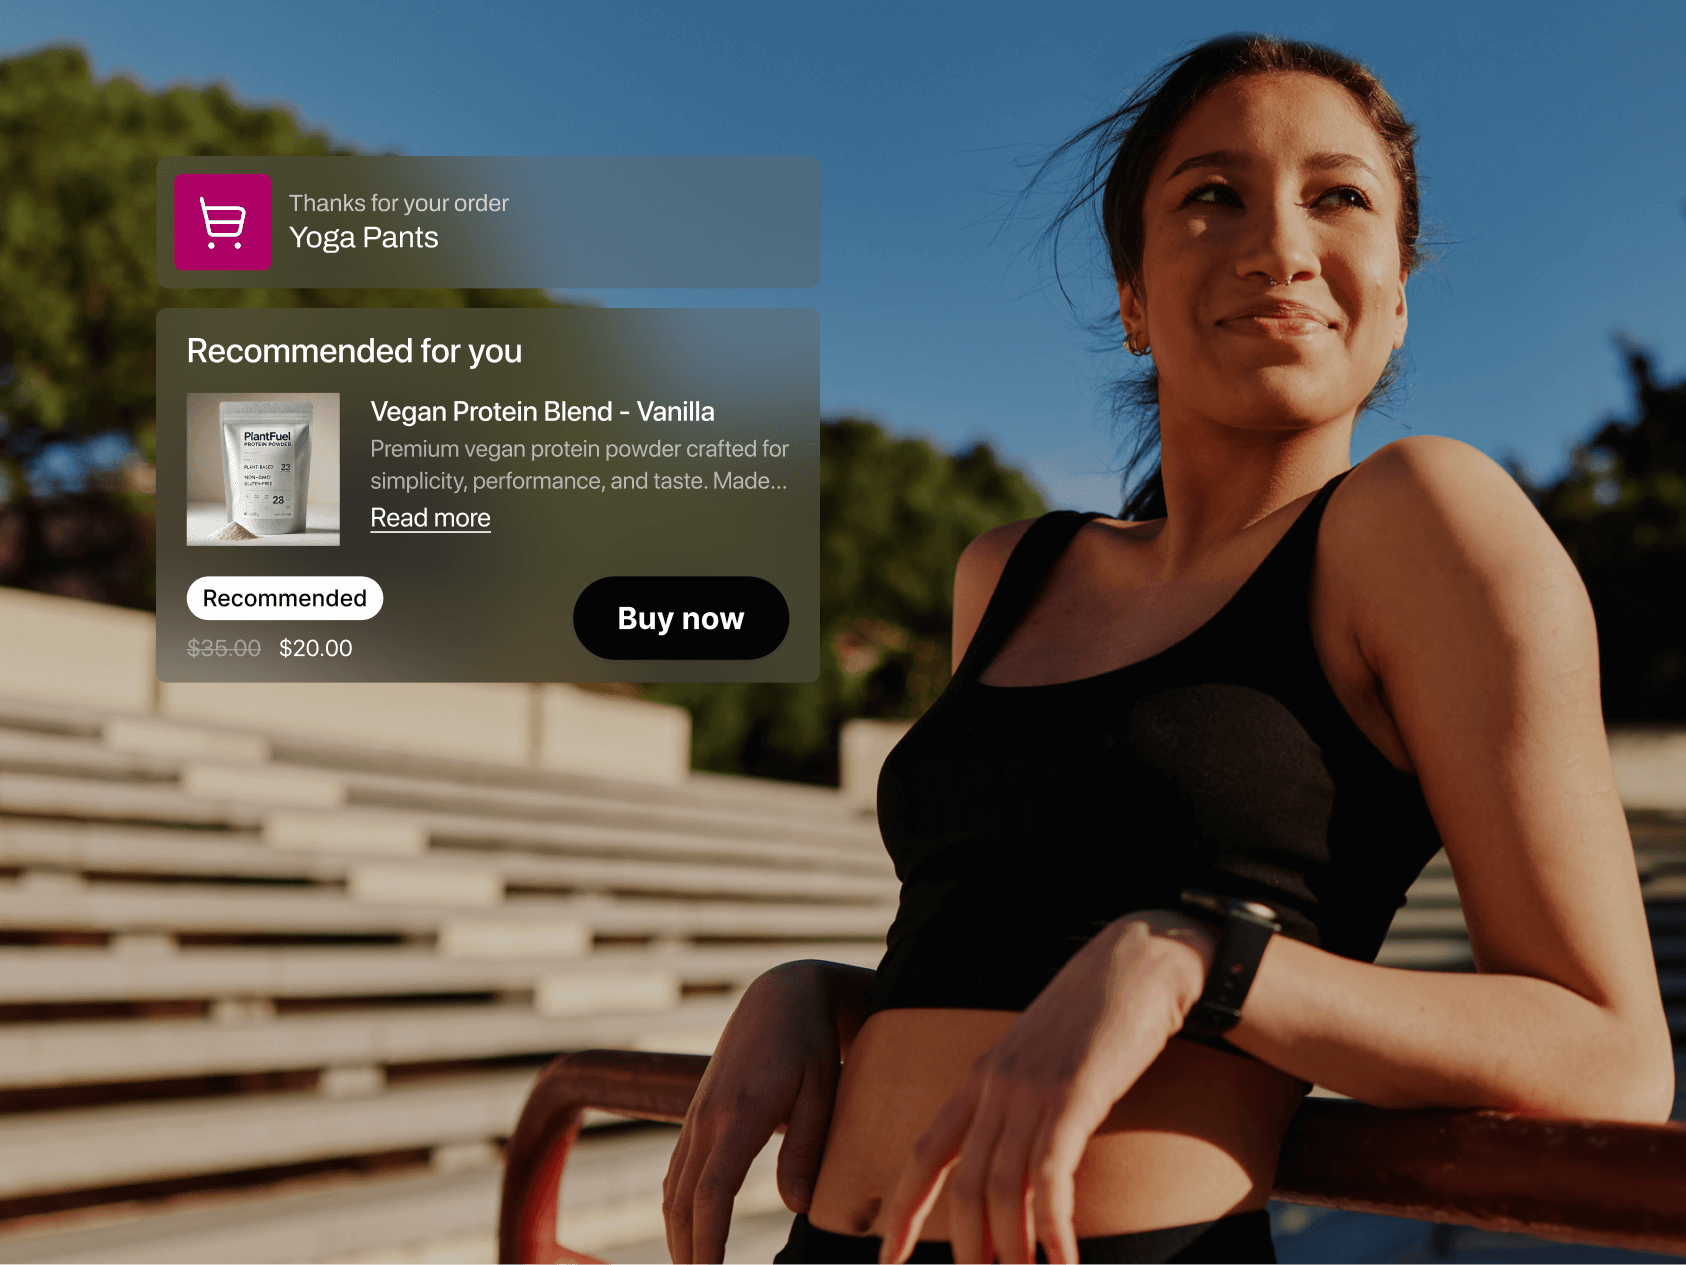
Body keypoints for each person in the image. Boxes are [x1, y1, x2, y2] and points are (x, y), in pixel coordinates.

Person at [662, 33, 1675, 1265]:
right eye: (1212, 195)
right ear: (1134, 299)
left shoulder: (1421, 519)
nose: (1282, 246)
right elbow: (1013, 943)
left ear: (1398, 297)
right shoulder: (1009, 570)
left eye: (1339, 197)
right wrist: (823, 994)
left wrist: (1206, 958)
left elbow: (1611, 1055)